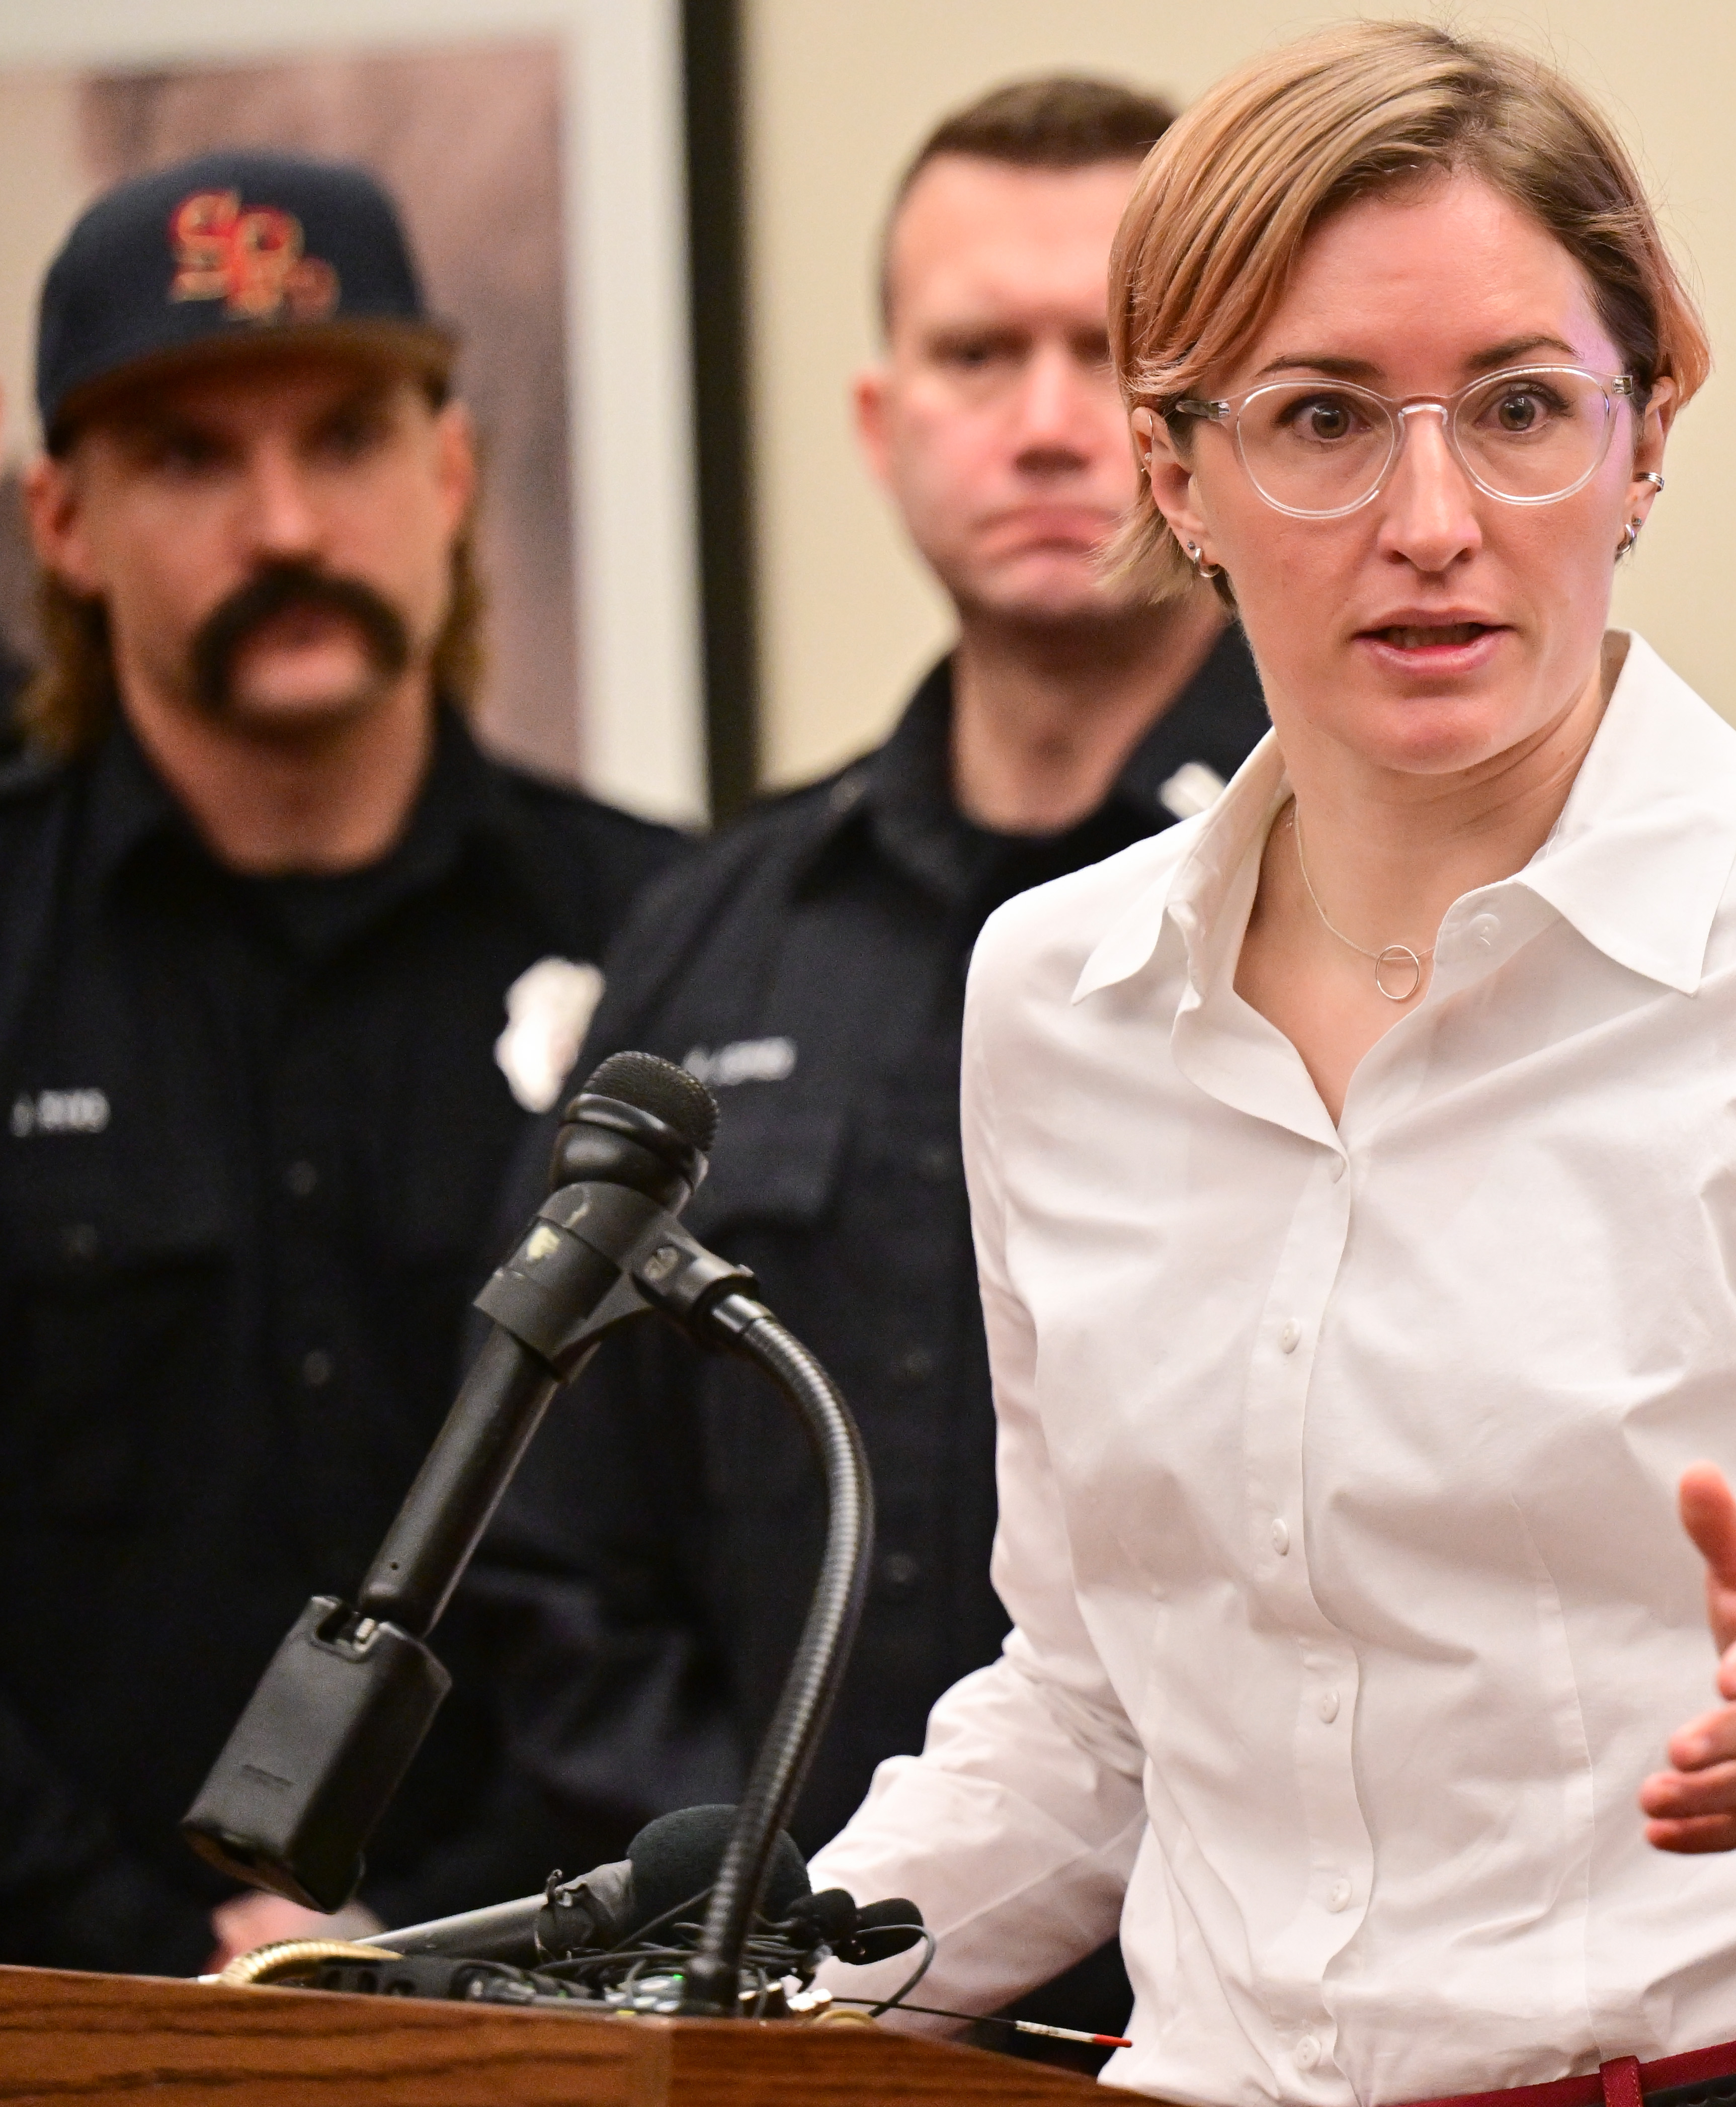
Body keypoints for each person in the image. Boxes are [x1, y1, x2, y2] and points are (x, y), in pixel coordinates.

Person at [799, 25, 1736, 2107]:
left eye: (1525, 408)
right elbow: (1100, 1717)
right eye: (1319, 419)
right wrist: (733, 2000)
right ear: (1172, 467)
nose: (1435, 517)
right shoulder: (1059, 992)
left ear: (1649, 437)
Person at [470, 77, 1266, 2043]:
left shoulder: (1358, 885)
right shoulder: (720, 925)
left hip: (1231, 2022)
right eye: (979, 351)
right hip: (771, 2007)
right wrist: (780, 1914)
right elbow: (557, 1537)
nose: (1050, 414)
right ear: (880, 417)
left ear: (1211, 413)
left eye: (1110, 351)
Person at [0, 151, 679, 1975]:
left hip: (566, 2006)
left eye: (346, 441)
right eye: (190, 461)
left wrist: (434, 1947)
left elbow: (707, 1548)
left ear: (448, 474)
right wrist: (143, 1943)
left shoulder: (674, 940)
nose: (286, 524)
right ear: (63, 521)